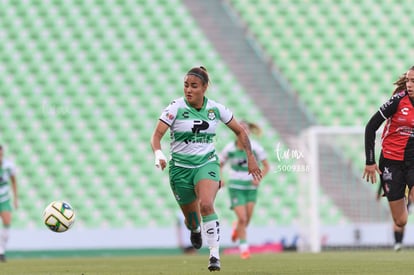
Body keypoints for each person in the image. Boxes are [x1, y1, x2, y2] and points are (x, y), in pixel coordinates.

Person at [150, 66, 262, 271]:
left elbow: (240, 131)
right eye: (186, 85)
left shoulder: (216, 109)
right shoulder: (175, 107)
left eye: (194, 86)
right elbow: (156, 136)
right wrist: (159, 154)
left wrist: (251, 157)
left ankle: (214, 256)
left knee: (207, 205)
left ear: (204, 88)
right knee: (191, 220)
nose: (188, 90)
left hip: (207, 164)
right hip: (180, 169)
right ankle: (195, 228)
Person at [363, 65, 414, 251]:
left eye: (413, 81)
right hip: (391, 160)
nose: (409, 84)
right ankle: (398, 241)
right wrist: (370, 161)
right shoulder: (397, 101)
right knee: (400, 220)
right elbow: (370, 127)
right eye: (408, 80)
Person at [219, 121, 269, 259]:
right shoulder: (229, 148)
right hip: (235, 187)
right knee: (242, 218)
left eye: (245, 129)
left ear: (249, 132)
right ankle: (244, 249)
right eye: (240, 129)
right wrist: (221, 178)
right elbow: (219, 164)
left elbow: (267, 166)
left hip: (251, 188)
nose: (243, 132)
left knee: (247, 220)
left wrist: (258, 178)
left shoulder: (256, 148)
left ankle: (237, 229)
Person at [0, 145, 18, 261]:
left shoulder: (9, 166)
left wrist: (16, 198)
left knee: (7, 222)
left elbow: (14, 182)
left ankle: (1, 251)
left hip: (4, 199)